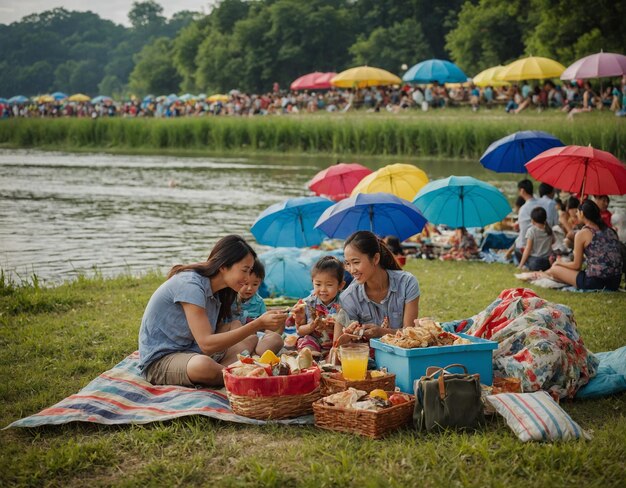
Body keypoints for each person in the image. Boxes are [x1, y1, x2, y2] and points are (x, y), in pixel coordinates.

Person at [138, 235, 286, 387]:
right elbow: (206, 344)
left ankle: (238, 371)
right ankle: (244, 375)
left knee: (249, 338)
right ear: (223, 266)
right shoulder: (190, 285)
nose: (247, 278)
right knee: (203, 366)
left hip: (194, 352)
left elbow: (217, 332)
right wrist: (257, 324)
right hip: (162, 360)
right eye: (245, 270)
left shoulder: (220, 291)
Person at [340, 231, 420, 340]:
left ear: (376, 259)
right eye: (348, 263)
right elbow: (349, 344)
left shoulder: (407, 283)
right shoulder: (348, 297)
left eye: (356, 262)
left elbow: (410, 333)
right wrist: (351, 334)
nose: (352, 270)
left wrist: (382, 332)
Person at [545, 200, 623, 290]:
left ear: (582, 213)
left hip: (595, 282)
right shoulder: (611, 230)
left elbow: (576, 266)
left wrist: (559, 263)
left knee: (555, 269)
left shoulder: (583, 233)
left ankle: (545, 274)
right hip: (615, 282)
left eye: (577, 212)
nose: (576, 214)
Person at [293, 256, 346, 358]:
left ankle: (331, 355)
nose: (323, 289)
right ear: (312, 282)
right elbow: (300, 330)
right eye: (318, 284)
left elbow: (350, 326)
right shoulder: (308, 303)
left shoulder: (345, 302)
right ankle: (312, 355)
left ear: (340, 285)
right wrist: (312, 326)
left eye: (329, 285)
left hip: (336, 341)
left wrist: (335, 325)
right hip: (315, 340)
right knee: (305, 341)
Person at [230, 258, 267, 324]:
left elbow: (265, 321)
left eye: (255, 284)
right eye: (246, 283)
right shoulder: (230, 300)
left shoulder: (259, 302)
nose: (250, 288)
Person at [513, 179, 540, 263]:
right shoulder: (541, 204)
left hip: (528, 248)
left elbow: (523, 233)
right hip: (543, 245)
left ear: (522, 190)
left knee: (517, 245)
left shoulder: (524, 209)